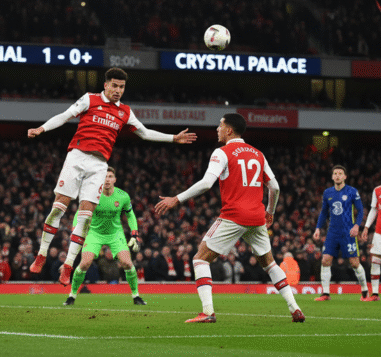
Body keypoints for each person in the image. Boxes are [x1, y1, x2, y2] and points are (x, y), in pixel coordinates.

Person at [28, 67, 197, 286]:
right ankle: (42, 254)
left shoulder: (125, 111)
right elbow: (65, 115)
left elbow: (145, 133)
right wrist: (42, 128)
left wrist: (173, 138)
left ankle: (68, 265)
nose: (118, 90)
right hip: (76, 157)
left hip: (99, 166)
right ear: (106, 85)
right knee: (58, 207)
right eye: (114, 86)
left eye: (122, 87)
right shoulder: (90, 99)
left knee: (86, 217)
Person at [155, 113, 305, 323]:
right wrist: (270, 211)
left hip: (234, 215)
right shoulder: (258, 154)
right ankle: (294, 308)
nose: (217, 129)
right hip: (257, 217)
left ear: (229, 130)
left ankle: (208, 312)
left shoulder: (222, 152)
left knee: (200, 259)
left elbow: (206, 183)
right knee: (270, 263)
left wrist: (176, 199)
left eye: (220, 125)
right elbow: (275, 187)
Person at [63, 167, 146, 306]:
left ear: (115, 179)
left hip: (115, 233)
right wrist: (74, 229)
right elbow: (80, 212)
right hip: (94, 233)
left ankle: (136, 296)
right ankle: (72, 295)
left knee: (127, 263)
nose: (107, 180)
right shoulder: (92, 194)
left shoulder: (123, 196)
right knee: (85, 264)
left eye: (110, 176)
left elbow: (130, 214)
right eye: (104, 177)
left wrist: (134, 233)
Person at [313, 165, 368, 301]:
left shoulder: (352, 191)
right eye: (335, 173)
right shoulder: (327, 193)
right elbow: (324, 212)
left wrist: (356, 226)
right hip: (332, 232)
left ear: (345, 176)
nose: (337, 175)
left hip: (348, 232)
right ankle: (326, 293)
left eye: (340, 173)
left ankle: (365, 291)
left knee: (354, 263)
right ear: (332, 177)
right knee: (325, 260)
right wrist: (318, 228)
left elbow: (360, 211)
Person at [360, 184, 381, 301]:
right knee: (375, 261)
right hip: (379, 232)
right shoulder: (377, 190)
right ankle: (375, 294)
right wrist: (367, 227)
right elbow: (374, 209)